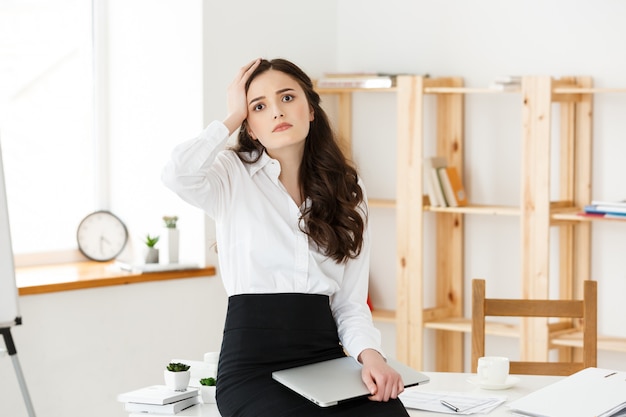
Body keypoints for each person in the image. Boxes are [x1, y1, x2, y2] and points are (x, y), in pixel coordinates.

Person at [162, 58, 409, 417]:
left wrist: (372, 358)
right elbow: (176, 174)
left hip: (324, 360)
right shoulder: (231, 176)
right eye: (259, 106)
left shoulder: (347, 190)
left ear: (310, 108)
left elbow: (350, 304)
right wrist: (232, 115)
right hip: (252, 368)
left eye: (288, 98)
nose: (277, 111)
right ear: (249, 124)